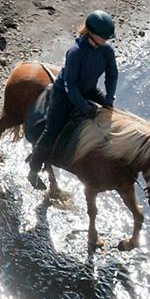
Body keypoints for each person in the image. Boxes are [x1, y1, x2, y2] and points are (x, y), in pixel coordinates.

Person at [31, 10, 118, 186]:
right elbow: (70, 85)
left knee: (113, 116)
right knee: (51, 132)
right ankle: (33, 170)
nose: (106, 41)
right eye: (104, 37)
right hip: (64, 94)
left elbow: (112, 75)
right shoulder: (76, 52)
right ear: (92, 33)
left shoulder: (106, 51)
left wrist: (109, 100)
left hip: (89, 89)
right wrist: (84, 107)